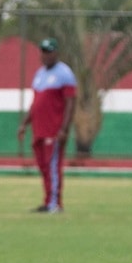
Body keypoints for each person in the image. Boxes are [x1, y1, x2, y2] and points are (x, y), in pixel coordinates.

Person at [17, 38, 77, 213]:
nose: (45, 55)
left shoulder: (65, 73)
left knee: (52, 167)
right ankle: (48, 200)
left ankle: (55, 203)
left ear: (56, 53)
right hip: (39, 130)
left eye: (49, 51)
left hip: (54, 130)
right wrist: (24, 124)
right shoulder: (40, 74)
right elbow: (36, 104)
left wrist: (64, 129)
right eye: (43, 51)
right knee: (44, 167)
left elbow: (70, 102)